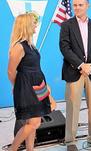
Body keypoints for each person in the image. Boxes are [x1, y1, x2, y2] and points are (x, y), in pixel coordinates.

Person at [59, 0, 91, 151]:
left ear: (88, 6)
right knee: (73, 107)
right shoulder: (66, 25)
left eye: (80, 5)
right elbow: (64, 48)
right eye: (75, 5)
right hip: (74, 72)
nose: (77, 7)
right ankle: (70, 141)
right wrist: (81, 65)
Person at [7, 13, 53, 151]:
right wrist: (18, 87)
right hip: (26, 89)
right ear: (26, 26)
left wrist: (47, 91)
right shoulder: (19, 47)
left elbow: (36, 71)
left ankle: (30, 149)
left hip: (37, 86)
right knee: (34, 123)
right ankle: (12, 149)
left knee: (32, 122)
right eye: (33, 23)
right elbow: (10, 72)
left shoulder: (31, 45)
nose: (36, 26)